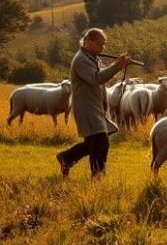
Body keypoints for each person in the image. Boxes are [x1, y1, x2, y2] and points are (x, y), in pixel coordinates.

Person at [56, 28, 131, 178]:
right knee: (101, 142)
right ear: (88, 42)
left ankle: (66, 157)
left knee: (92, 143)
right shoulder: (81, 60)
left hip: (95, 107)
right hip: (86, 108)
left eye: (104, 45)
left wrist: (104, 102)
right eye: (100, 45)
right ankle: (97, 176)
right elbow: (96, 78)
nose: (102, 48)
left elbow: (99, 85)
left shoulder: (93, 58)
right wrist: (117, 66)